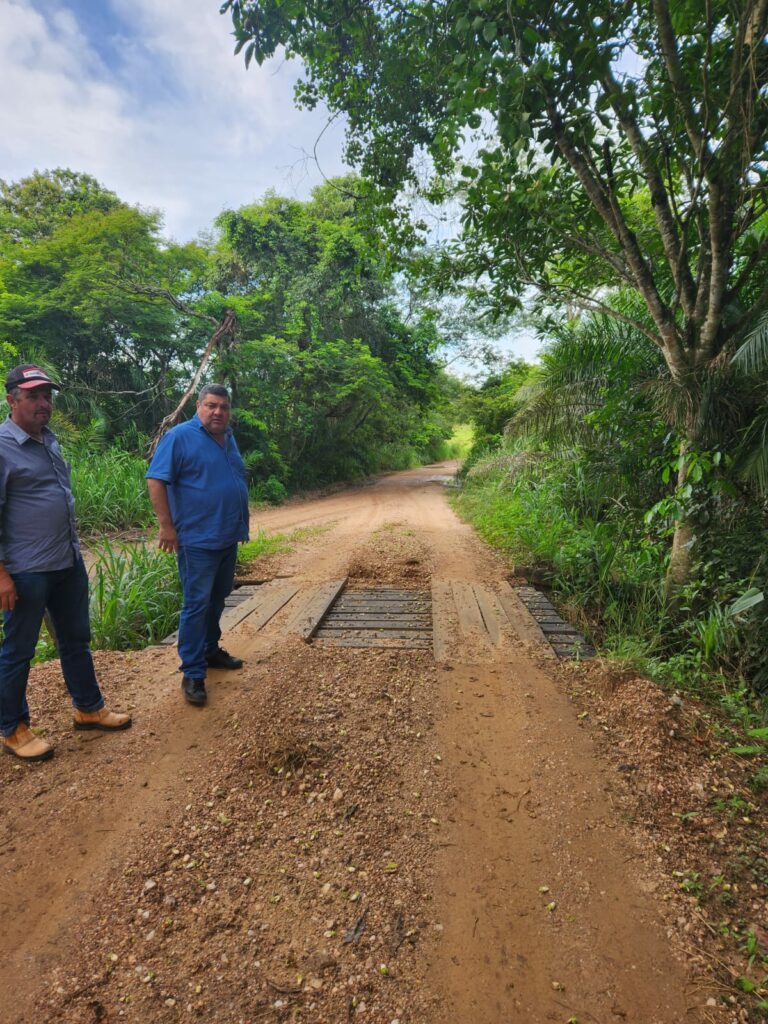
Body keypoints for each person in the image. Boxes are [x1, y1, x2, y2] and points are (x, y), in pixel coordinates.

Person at [0, 364, 132, 762]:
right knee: (18, 650)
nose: (43, 403)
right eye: (34, 396)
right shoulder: (2, 447)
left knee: (76, 640)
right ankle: (12, 727)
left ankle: (88, 707)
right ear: (12, 400)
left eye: (47, 396)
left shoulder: (48, 441)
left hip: (66, 562)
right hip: (26, 570)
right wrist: (1, 574)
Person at [146, 384, 249, 706]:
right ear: (198, 406)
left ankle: (210, 650)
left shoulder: (228, 438)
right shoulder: (180, 437)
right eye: (211, 405)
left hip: (227, 537)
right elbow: (155, 479)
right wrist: (167, 526)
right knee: (196, 604)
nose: (218, 412)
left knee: (218, 599)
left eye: (224, 407)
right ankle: (192, 671)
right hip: (197, 540)